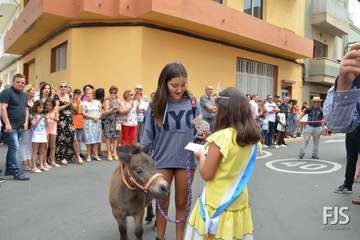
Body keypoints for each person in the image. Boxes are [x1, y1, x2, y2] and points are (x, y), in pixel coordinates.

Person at [185, 87, 260, 240]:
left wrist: (201, 155)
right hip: (238, 199)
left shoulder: (220, 138)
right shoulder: (252, 137)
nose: (215, 111)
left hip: (216, 202)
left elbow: (206, 173)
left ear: (225, 110)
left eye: (217, 107)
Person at [141, 63, 202, 240]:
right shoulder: (154, 106)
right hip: (161, 161)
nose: (179, 89)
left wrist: (204, 133)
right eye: (174, 85)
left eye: (183, 85)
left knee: (182, 203)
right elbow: (147, 138)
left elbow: (201, 129)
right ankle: (160, 237)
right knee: (162, 202)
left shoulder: (192, 103)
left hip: (186, 161)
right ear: (164, 83)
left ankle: (179, 238)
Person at [324, 42, 360, 204]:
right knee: (351, 158)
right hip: (354, 131)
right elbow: (336, 124)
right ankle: (347, 184)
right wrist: (346, 84)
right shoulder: (353, 80)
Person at [0, 73, 30, 180]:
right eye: (18, 82)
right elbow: (3, 108)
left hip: (19, 126)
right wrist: (7, 124)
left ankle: (9, 169)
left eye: (22, 82)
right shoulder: (6, 92)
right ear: (13, 82)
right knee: (15, 148)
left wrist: (26, 122)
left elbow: (26, 109)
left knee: (12, 149)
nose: (20, 84)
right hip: (10, 127)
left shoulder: (24, 94)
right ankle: (17, 172)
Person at [55, 82, 75, 165]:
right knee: (61, 138)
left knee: (70, 137)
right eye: (61, 86)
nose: (63, 88)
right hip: (61, 119)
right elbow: (57, 108)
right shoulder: (56, 96)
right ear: (59, 88)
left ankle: (68, 156)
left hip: (69, 119)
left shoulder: (69, 96)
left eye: (65, 86)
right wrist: (68, 104)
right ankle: (60, 157)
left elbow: (72, 108)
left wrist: (72, 101)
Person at [82, 87, 102, 162]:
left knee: (96, 138)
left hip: (97, 122)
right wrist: (93, 117)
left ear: (93, 94)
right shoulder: (84, 103)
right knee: (89, 138)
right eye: (88, 93)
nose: (89, 95)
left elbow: (101, 111)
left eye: (90, 93)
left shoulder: (97, 102)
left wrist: (98, 117)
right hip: (88, 122)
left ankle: (96, 155)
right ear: (86, 95)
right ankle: (88, 155)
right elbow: (83, 113)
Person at [19, 84, 35, 171]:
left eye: (34, 90)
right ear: (27, 91)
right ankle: (24, 161)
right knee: (24, 142)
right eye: (32, 90)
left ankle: (29, 159)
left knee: (30, 143)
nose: (33, 91)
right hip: (25, 124)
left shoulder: (34, 101)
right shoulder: (23, 100)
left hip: (33, 125)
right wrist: (24, 123)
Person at [103, 86, 121, 160]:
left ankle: (114, 152)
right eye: (111, 92)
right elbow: (105, 112)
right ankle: (109, 153)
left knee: (116, 137)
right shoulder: (107, 100)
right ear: (109, 92)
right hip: (109, 120)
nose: (113, 94)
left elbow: (121, 111)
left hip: (117, 120)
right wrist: (113, 109)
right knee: (108, 137)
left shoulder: (118, 100)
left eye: (115, 92)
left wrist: (118, 109)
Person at [30, 100, 48, 172]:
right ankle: (33, 167)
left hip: (43, 134)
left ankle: (41, 165)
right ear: (36, 107)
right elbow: (33, 125)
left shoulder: (43, 115)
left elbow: (46, 126)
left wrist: (46, 120)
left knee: (42, 151)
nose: (41, 109)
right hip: (36, 135)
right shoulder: (33, 115)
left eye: (42, 108)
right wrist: (40, 118)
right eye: (39, 107)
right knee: (35, 151)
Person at [44, 97, 60, 167]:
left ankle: (52, 160)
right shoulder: (44, 111)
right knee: (46, 146)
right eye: (47, 105)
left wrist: (53, 118)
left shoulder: (55, 110)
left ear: (53, 105)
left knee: (53, 146)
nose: (48, 106)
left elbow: (57, 119)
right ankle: (44, 162)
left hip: (53, 128)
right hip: (45, 129)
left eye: (50, 105)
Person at [72, 89, 86, 160]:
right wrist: (77, 103)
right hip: (74, 121)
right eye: (76, 94)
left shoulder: (82, 103)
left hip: (80, 121)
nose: (77, 95)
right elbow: (77, 111)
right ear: (74, 95)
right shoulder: (72, 102)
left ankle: (80, 153)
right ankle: (75, 153)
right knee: (75, 139)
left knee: (79, 138)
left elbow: (82, 112)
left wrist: (79, 104)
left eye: (79, 94)